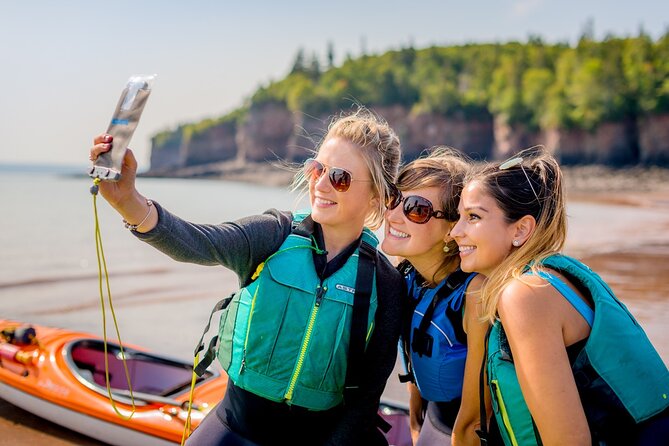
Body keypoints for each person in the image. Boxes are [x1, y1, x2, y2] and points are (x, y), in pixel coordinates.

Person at [88, 108, 406, 446]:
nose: (321, 184)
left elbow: (366, 397)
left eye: (340, 177)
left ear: (377, 195)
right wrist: (128, 202)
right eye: (317, 169)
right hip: (234, 427)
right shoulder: (274, 235)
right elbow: (198, 242)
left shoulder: (385, 284)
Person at [450, 147, 669, 446]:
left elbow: (569, 441)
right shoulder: (552, 276)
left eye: (473, 217)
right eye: (458, 216)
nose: (455, 232)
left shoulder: (526, 294)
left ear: (521, 229)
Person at [381, 148, 493, 446]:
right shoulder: (407, 278)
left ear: (452, 229)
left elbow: (475, 416)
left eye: (416, 209)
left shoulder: (474, 294)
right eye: (393, 199)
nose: (392, 215)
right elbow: (415, 349)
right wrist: (416, 421)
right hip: (433, 422)